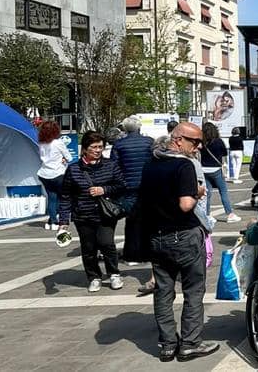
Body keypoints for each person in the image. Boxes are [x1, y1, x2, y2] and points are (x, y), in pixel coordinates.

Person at [139, 122, 219, 362]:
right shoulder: (183, 165)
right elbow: (186, 204)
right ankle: (190, 343)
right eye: (195, 142)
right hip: (183, 234)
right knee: (193, 290)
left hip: (157, 235)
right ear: (178, 140)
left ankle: (166, 344)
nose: (198, 147)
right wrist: (198, 193)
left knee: (163, 291)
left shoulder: (151, 164)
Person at [57, 131, 126, 292]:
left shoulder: (111, 165)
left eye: (100, 147)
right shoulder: (74, 169)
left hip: (105, 213)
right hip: (83, 214)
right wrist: (63, 222)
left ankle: (114, 273)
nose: (97, 150)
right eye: (94, 147)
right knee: (88, 247)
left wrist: (104, 189)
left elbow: (122, 185)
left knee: (106, 243)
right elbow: (66, 196)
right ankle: (94, 276)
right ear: (85, 149)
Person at [112, 115, 154, 264]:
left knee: (131, 221)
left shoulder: (119, 145)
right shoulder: (149, 142)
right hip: (148, 185)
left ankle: (131, 254)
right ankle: (148, 252)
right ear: (139, 127)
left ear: (124, 128)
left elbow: (114, 166)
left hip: (128, 186)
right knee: (148, 220)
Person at [201, 122, 240, 222]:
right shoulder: (218, 141)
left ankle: (207, 214)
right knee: (223, 192)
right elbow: (224, 153)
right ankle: (230, 214)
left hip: (204, 169)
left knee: (207, 194)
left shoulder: (202, 142)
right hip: (216, 169)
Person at [37, 120, 71, 231]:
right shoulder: (58, 143)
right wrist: (63, 159)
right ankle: (55, 221)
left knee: (52, 198)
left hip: (44, 173)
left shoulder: (41, 143)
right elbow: (69, 157)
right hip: (58, 173)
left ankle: (51, 221)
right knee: (61, 198)